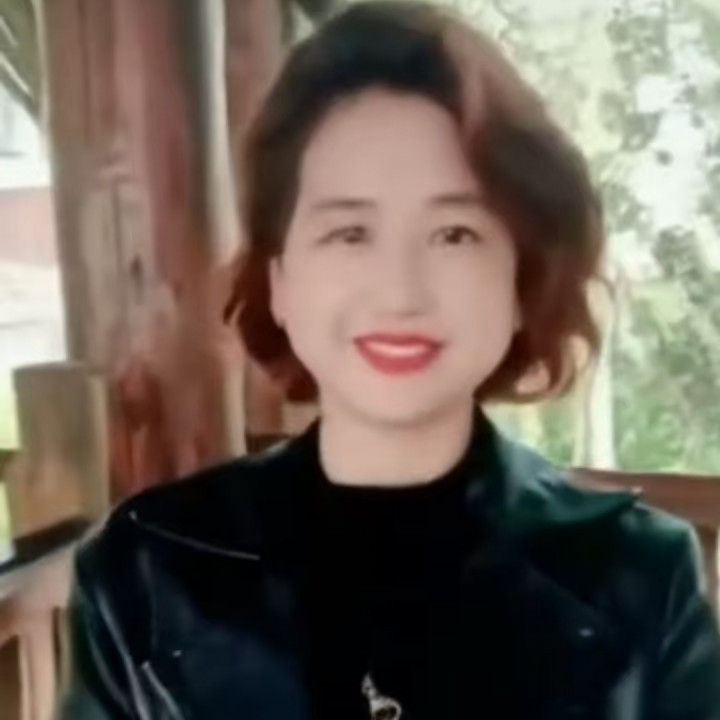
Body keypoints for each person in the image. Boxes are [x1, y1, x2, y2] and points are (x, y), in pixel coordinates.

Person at [60, 2, 720, 719]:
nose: (400, 291)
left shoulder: (639, 577)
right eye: (350, 233)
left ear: (520, 278)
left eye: (454, 233)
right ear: (279, 281)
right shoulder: (143, 574)